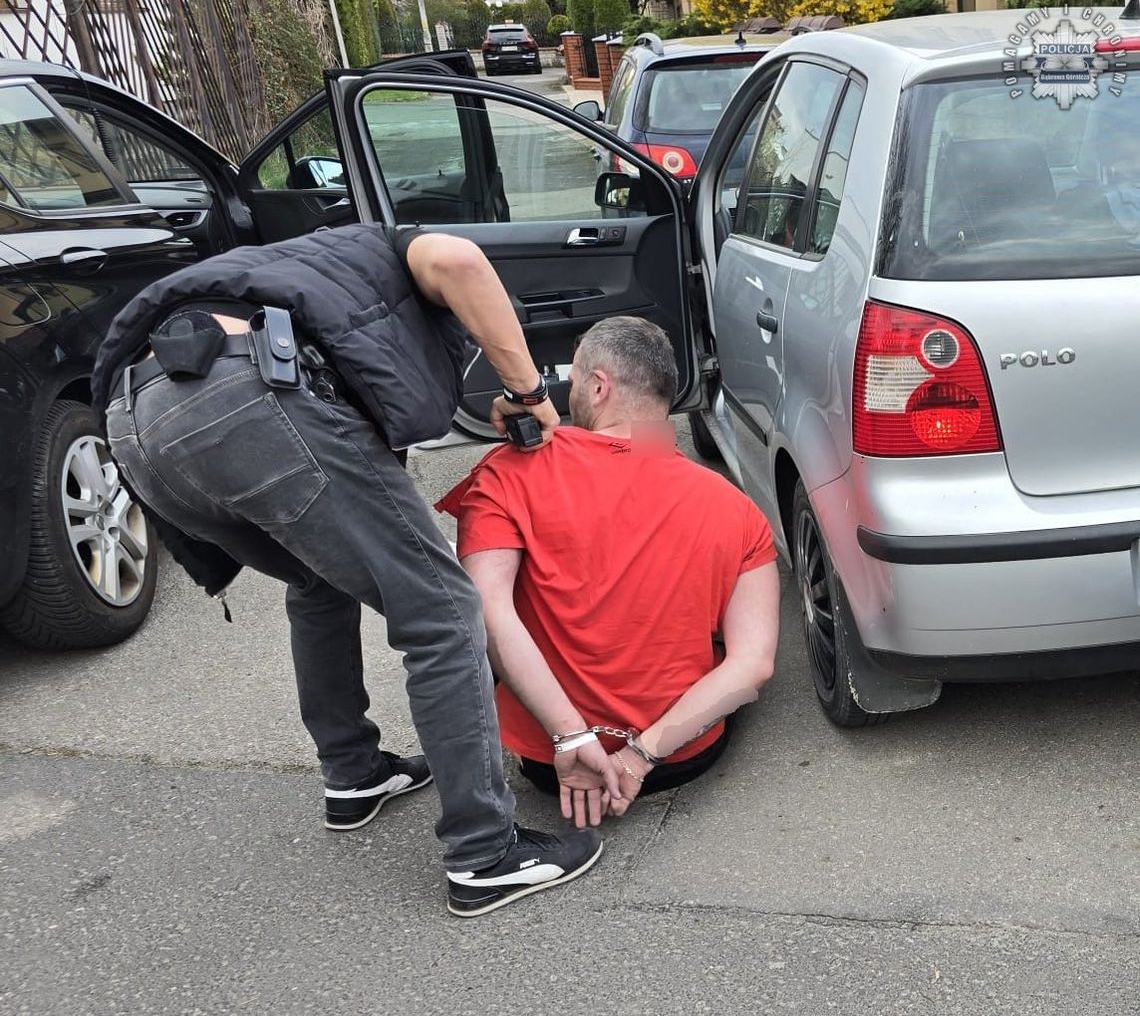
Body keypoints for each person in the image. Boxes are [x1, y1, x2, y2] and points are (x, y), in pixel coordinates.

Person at [92, 223, 611, 918]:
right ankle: (485, 852)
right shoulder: (395, 249)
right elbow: (459, 260)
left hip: (136, 421)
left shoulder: (310, 274)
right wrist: (529, 394)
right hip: (242, 391)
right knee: (440, 611)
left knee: (317, 578)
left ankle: (354, 774)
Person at [437, 316, 780, 827]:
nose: (568, 391)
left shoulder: (507, 472)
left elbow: (485, 608)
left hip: (552, 761)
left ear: (599, 387)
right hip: (681, 759)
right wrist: (637, 756)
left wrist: (572, 735)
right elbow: (753, 666)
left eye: (574, 381)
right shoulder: (738, 510)